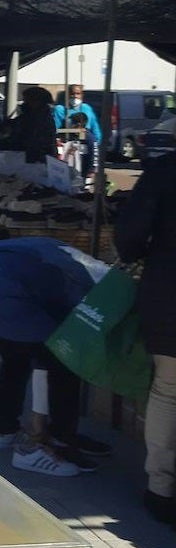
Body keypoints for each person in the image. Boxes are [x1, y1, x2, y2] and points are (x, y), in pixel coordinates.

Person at [0, 237, 111, 476]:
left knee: (15, 359)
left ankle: (2, 431)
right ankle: (51, 443)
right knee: (63, 366)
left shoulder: (59, 253)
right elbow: (64, 319)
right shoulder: (78, 276)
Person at [115, 149, 176, 524]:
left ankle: (162, 488)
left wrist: (136, 255)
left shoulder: (166, 168)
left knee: (169, 391)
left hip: (169, 288)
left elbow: (132, 230)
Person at [0, 86, 57, 163]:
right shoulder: (30, 116)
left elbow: (28, 140)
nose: (24, 104)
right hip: (30, 156)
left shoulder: (39, 119)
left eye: (27, 101)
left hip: (35, 159)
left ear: (37, 101)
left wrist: (2, 144)